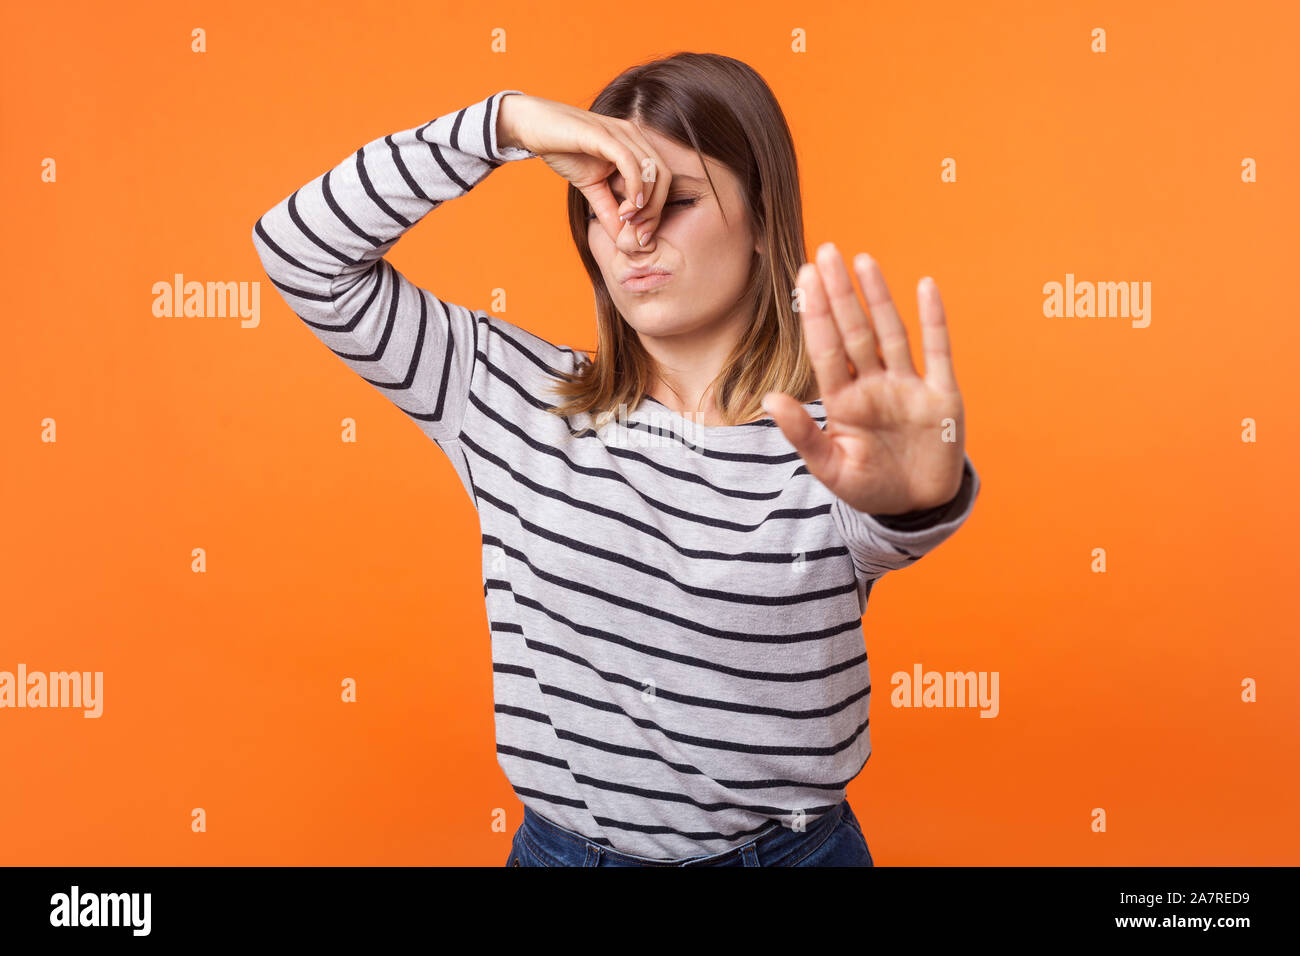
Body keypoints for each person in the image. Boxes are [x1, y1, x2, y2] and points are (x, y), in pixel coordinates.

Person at [252, 51, 980, 867]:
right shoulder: (507, 394)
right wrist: (505, 124)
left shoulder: (829, 442)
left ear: (766, 221)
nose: (633, 230)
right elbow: (299, 251)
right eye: (606, 201)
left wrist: (923, 492)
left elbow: (901, 504)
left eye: (675, 199)